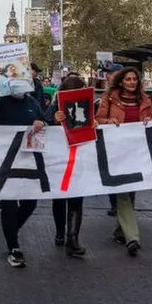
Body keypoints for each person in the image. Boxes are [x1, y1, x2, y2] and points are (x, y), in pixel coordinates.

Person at [0, 64, 46, 268]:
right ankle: (14, 247)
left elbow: (43, 121)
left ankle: (11, 231)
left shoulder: (33, 103)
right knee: (9, 204)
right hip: (4, 162)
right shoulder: (1, 100)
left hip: (27, 161)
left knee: (30, 203)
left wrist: (41, 123)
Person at [96, 67, 152, 257]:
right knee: (122, 192)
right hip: (117, 152)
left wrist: (148, 119)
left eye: (134, 79)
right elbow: (98, 119)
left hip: (137, 151)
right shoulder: (110, 98)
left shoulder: (145, 100)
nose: (132, 82)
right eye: (128, 79)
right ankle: (132, 237)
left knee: (131, 192)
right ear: (121, 81)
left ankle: (120, 231)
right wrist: (108, 121)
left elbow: (151, 118)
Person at [46, 75, 92, 258]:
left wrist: (94, 124)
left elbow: (93, 123)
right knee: (59, 198)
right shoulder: (54, 108)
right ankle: (60, 232)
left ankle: (72, 238)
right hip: (59, 159)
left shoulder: (89, 105)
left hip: (78, 158)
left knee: (76, 198)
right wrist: (54, 121)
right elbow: (42, 125)